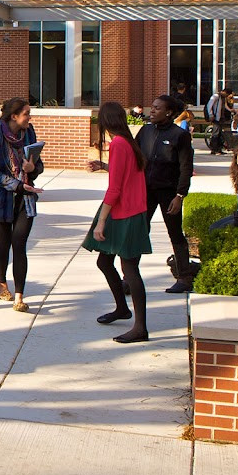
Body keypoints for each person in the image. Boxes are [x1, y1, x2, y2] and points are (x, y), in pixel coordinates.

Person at [110, 94, 195, 294]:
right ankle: (129, 279)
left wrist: (180, 195)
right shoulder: (146, 131)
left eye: (158, 108)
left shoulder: (179, 135)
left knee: (175, 233)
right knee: (138, 233)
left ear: (169, 112)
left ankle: (184, 278)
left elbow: (186, 167)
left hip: (169, 193)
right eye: (153, 107)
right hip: (145, 192)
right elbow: (133, 159)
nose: (153, 110)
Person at [84, 100, 153, 343]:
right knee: (105, 262)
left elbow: (115, 189)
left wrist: (101, 222)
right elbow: (124, 175)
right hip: (126, 212)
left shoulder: (119, 145)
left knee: (130, 270)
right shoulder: (127, 143)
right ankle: (122, 309)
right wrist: (104, 165)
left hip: (126, 215)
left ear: (106, 122)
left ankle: (140, 328)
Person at [0, 95, 44, 313]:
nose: (30, 117)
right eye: (26, 113)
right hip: (1, 199)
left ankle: (19, 297)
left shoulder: (29, 133)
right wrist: (16, 184)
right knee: (4, 243)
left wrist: (32, 169)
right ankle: (2, 284)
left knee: (20, 244)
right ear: (14, 116)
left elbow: (39, 165)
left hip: (25, 199)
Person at [203, 88, 228, 155]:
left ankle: (219, 149)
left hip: (220, 118)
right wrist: (211, 114)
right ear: (224, 92)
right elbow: (209, 105)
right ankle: (214, 149)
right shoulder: (216, 96)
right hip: (215, 117)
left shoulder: (222, 98)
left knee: (219, 134)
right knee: (216, 134)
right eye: (227, 94)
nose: (227, 96)